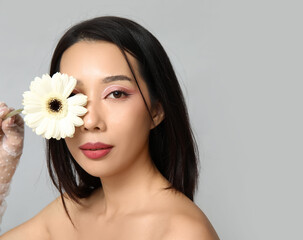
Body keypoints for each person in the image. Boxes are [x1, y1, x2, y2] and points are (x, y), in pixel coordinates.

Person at [0, 16, 219, 239]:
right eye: (73, 97)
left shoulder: (183, 232)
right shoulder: (68, 213)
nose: (89, 121)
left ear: (156, 111)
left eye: (116, 94)